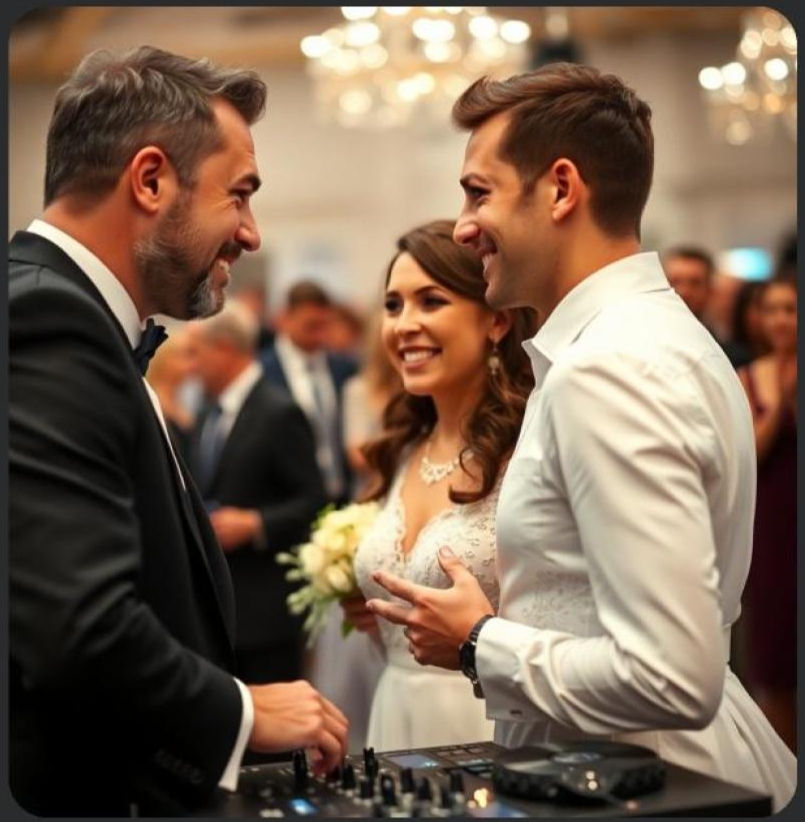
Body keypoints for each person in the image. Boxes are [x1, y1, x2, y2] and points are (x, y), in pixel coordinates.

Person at [366, 64, 796, 810]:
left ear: (561, 189)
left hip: (647, 782)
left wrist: (478, 642)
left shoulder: (609, 368)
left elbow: (670, 676)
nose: (464, 228)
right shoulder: (642, 339)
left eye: (478, 192)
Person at [9, 46, 346, 816]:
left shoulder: (69, 314)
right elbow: (77, 625)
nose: (251, 234)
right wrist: (242, 712)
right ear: (151, 179)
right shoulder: (46, 319)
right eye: (240, 195)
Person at [344, 219, 536, 750]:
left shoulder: (527, 450)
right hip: (395, 715)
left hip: (487, 723)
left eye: (431, 302)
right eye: (393, 305)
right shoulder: (402, 450)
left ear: (495, 321)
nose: (404, 324)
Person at [186, 301, 326, 686]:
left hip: (266, 615)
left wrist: (255, 524)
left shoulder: (279, 412)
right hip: (221, 613)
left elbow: (314, 502)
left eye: (196, 353)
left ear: (225, 349)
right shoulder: (207, 414)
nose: (191, 366)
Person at [737, 273, 797, 752]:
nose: (781, 320)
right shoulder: (748, 375)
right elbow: (747, 454)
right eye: (772, 309)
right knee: (775, 650)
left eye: (791, 310)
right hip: (773, 521)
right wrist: (777, 403)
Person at [261, 280, 358, 505]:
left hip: (340, 499)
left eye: (325, 326)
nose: (320, 336)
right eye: (311, 326)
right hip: (286, 502)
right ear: (285, 318)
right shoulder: (262, 371)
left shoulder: (344, 368)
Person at [662, 245, 752, 368]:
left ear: (710, 290)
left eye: (695, 283)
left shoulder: (733, 358)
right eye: (675, 281)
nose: (684, 291)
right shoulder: (642, 346)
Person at [145, 323, 199, 458]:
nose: (195, 364)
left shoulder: (186, 400)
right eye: (187, 355)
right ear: (166, 359)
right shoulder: (151, 400)